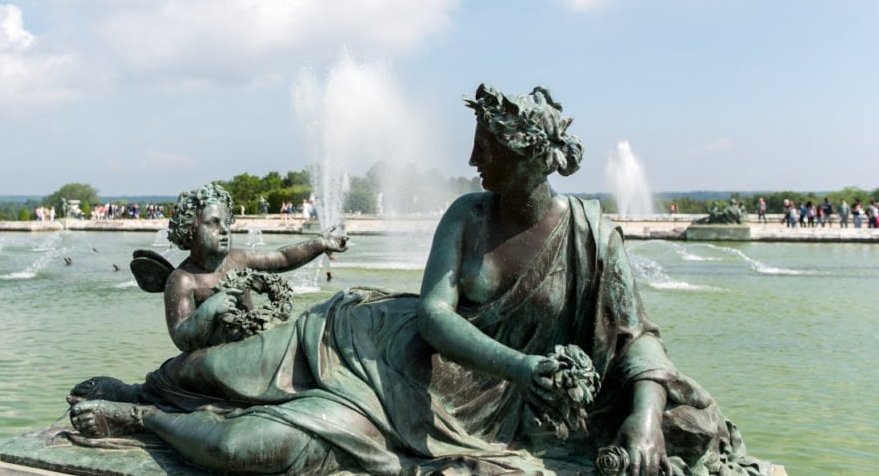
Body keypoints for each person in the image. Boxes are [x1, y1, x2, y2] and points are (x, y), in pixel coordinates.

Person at [68, 85, 770, 476]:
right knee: (208, 369)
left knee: (248, 449)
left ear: (530, 159)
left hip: (468, 413)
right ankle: (149, 389)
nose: (472, 158)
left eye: (487, 148)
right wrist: (525, 365)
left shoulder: (592, 237)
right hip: (372, 346)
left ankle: (144, 418)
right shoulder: (467, 215)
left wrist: (645, 424)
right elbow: (434, 315)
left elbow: (640, 345)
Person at [133, 184, 349, 353]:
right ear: (189, 230)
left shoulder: (237, 259)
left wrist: (319, 244)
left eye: (227, 222)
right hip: (207, 358)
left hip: (247, 345)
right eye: (213, 223)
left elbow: (281, 258)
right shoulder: (183, 280)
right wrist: (209, 310)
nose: (224, 230)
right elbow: (181, 338)